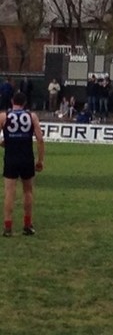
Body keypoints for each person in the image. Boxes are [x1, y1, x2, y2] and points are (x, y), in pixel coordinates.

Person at [1, 92, 45, 237]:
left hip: (11, 158)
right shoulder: (32, 116)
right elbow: (40, 139)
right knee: (28, 191)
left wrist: (4, 142)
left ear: (12, 101)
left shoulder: (4, 116)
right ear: (25, 103)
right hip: (26, 157)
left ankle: (8, 227)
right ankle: (27, 225)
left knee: (9, 192)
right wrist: (40, 160)